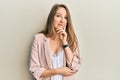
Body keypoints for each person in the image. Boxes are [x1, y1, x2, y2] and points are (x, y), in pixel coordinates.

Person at [29, 4, 80, 80]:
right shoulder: (39, 39)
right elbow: (35, 69)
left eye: (65, 17)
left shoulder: (70, 39)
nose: (62, 20)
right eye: (58, 16)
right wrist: (58, 71)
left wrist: (65, 43)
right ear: (52, 18)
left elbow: (75, 67)